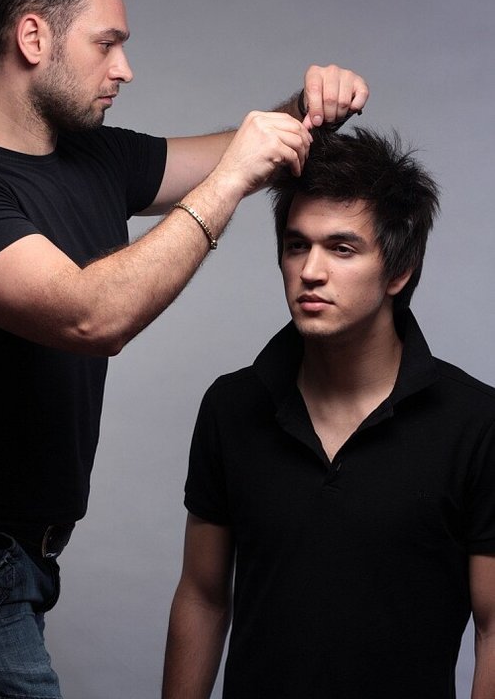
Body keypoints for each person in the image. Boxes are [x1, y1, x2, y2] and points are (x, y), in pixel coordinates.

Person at [0, 0, 368, 698]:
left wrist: (309, 110)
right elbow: (90, 316)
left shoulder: (96, 160)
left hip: (19, 562)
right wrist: (234, 175)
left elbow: (241, 153)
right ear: (32, 37)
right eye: (106, 43)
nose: (124, 68)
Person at [162, 128, 495, 699]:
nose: (310, 271)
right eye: (297, 246)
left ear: (399, 271)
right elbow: (202, 595)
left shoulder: (476, 423)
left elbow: (492, 627)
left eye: (342, 248)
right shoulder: (232, 406)